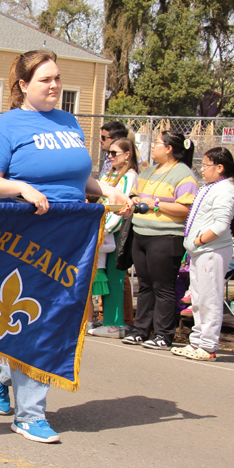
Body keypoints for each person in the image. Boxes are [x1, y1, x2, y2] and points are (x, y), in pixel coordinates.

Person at [0, 49, 132, 444]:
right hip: (25, 237)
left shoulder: (69, 122)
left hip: (72, 236)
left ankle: (1, 369)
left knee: (55, 319)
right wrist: (22, 187)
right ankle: (29, 414)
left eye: (58, 78)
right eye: (46, 80)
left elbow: (80, 180)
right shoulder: (7, 126)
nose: (55, 86)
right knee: (35, 321)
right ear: (24, 85)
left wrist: (107, 188)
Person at [122, 132, 198, 350]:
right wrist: (135, 200)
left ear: (169, 148)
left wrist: (156, 204)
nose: (152, 147)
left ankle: (164, 334)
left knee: (163, 287)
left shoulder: (184, 176)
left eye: (156, 143)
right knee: (144, 285)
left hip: (166, 237)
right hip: (141, 234)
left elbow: (186, 208)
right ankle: (140, 330)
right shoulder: (148, 172)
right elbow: (136, 196)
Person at [170, 147, 234, 361]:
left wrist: (199, 240)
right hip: (198, 251)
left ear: (220, 168)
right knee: (198, 298)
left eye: (206, 165)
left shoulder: (227, 190)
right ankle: (197, 342)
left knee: (210, 299)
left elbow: (221, 224)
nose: (201, 169)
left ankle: (209, 345)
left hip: (211, 251)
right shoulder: (211, 187)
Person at [89, 137, 139, 338]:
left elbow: (121, 207)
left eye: (114, 153)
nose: (109, 157)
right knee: (105, 277)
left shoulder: (130, 176)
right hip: (104, 229)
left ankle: (115, 322)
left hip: (116, 232)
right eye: (108, 153)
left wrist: (106, 229)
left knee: (115, 277)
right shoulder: (111, 174)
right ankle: (109, 319)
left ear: (127, 155)